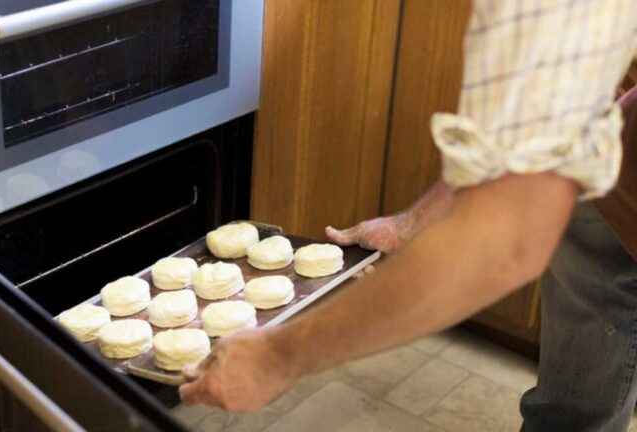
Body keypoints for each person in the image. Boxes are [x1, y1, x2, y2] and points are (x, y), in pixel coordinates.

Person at [181, 2, 637, 430]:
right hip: (621, 152)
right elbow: (531, 137)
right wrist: (414, 222)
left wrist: (277, 357)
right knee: (576, 390)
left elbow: (506, 241)